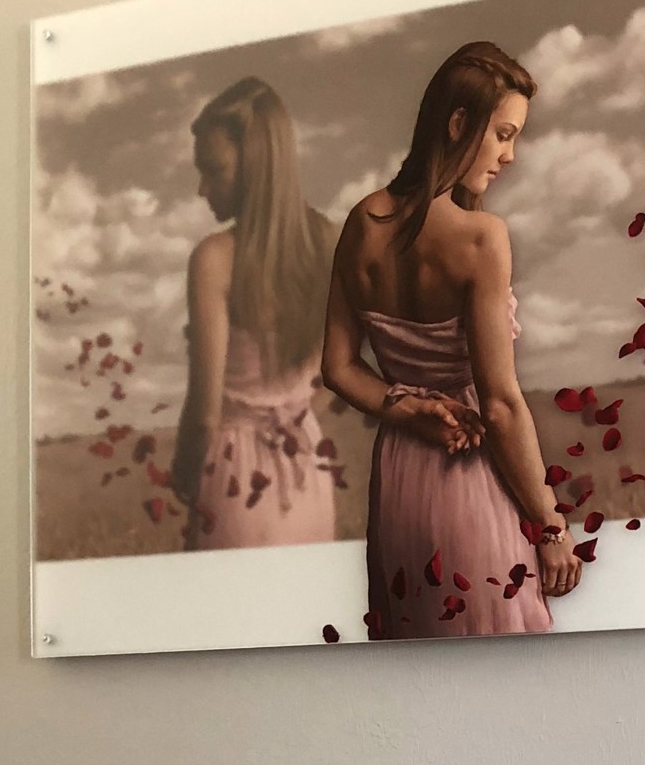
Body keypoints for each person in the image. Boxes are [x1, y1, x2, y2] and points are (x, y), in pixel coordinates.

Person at [321, 40, 579, 638]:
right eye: (505, 134)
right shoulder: (480, 238)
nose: (511, 155)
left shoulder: (364, 222)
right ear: (459, 123)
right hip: (473, 473)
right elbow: (500, 404)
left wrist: (406, 408)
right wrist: (552, 529)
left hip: (400, 480)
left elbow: (338, 367)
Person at [173, 78, 338, 550]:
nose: (202, 188)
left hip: (234, 475)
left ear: (257, 168)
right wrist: (290, 414)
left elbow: (204, 414)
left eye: (214, 171)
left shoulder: (214, 258)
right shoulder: (328, 242)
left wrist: (185, 475)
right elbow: (337, 372)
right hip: (306, 462)